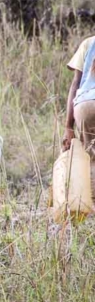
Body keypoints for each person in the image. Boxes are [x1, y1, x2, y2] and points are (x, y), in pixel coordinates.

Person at [62, 35, 95, 191]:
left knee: (91, 155)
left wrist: (68, 126)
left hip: (86, 105)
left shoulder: (89, 43)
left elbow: (75, 84)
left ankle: (91, 203)